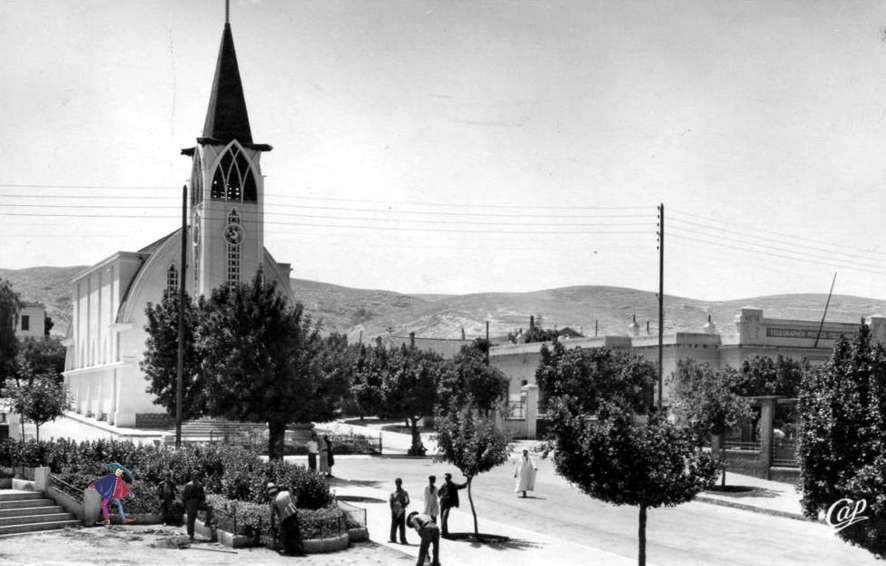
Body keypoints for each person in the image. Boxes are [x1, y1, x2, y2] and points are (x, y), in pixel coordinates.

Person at [268, 482, 302, 555]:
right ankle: (298, 548)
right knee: (295, 532)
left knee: (283, 533)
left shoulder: (273, 501)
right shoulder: (286, 492)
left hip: (285, 519)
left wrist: (272, 526)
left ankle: (286, 549)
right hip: (293, 514)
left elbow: (272, 515)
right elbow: (294, 501)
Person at [182, 474, 215, 542]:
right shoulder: (188, 485)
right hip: (190, 503)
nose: (195, 477)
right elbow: (185, 496)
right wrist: (185, 506)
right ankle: (190, 535)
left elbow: (202, 495)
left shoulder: (199, 484)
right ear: (192, 477)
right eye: (194, 476)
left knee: (209, 507)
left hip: (198, 502)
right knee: (191, 519)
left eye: (196, 476)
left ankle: (207, 522)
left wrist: (203, 502)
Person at [437, 472, 466, 537]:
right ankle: (444, 532)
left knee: (444, 516)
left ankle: (443, 531)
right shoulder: (444, 485)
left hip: (448, 504)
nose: (446, 478)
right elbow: (439, 492)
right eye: (445, 477)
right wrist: (440, 496)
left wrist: (467, 481)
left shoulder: (453, 485)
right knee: (442, 517)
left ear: (450, 478)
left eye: (447, 477)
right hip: (442, 503)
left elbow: (461, 486)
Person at [389, 477, 410, 544]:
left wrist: (402, 506)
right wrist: (392, 509)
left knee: (402, 526)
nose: (398, 484)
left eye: (399, 483)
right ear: (395, 484)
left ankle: (403, 539)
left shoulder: (405, 493)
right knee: (393, 525)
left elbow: (408, 501)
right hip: (394, 511)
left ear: (401, 483)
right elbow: (391, 501)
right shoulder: (393, 493)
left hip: (401, 511)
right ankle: (393, 539)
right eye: (397, 483)